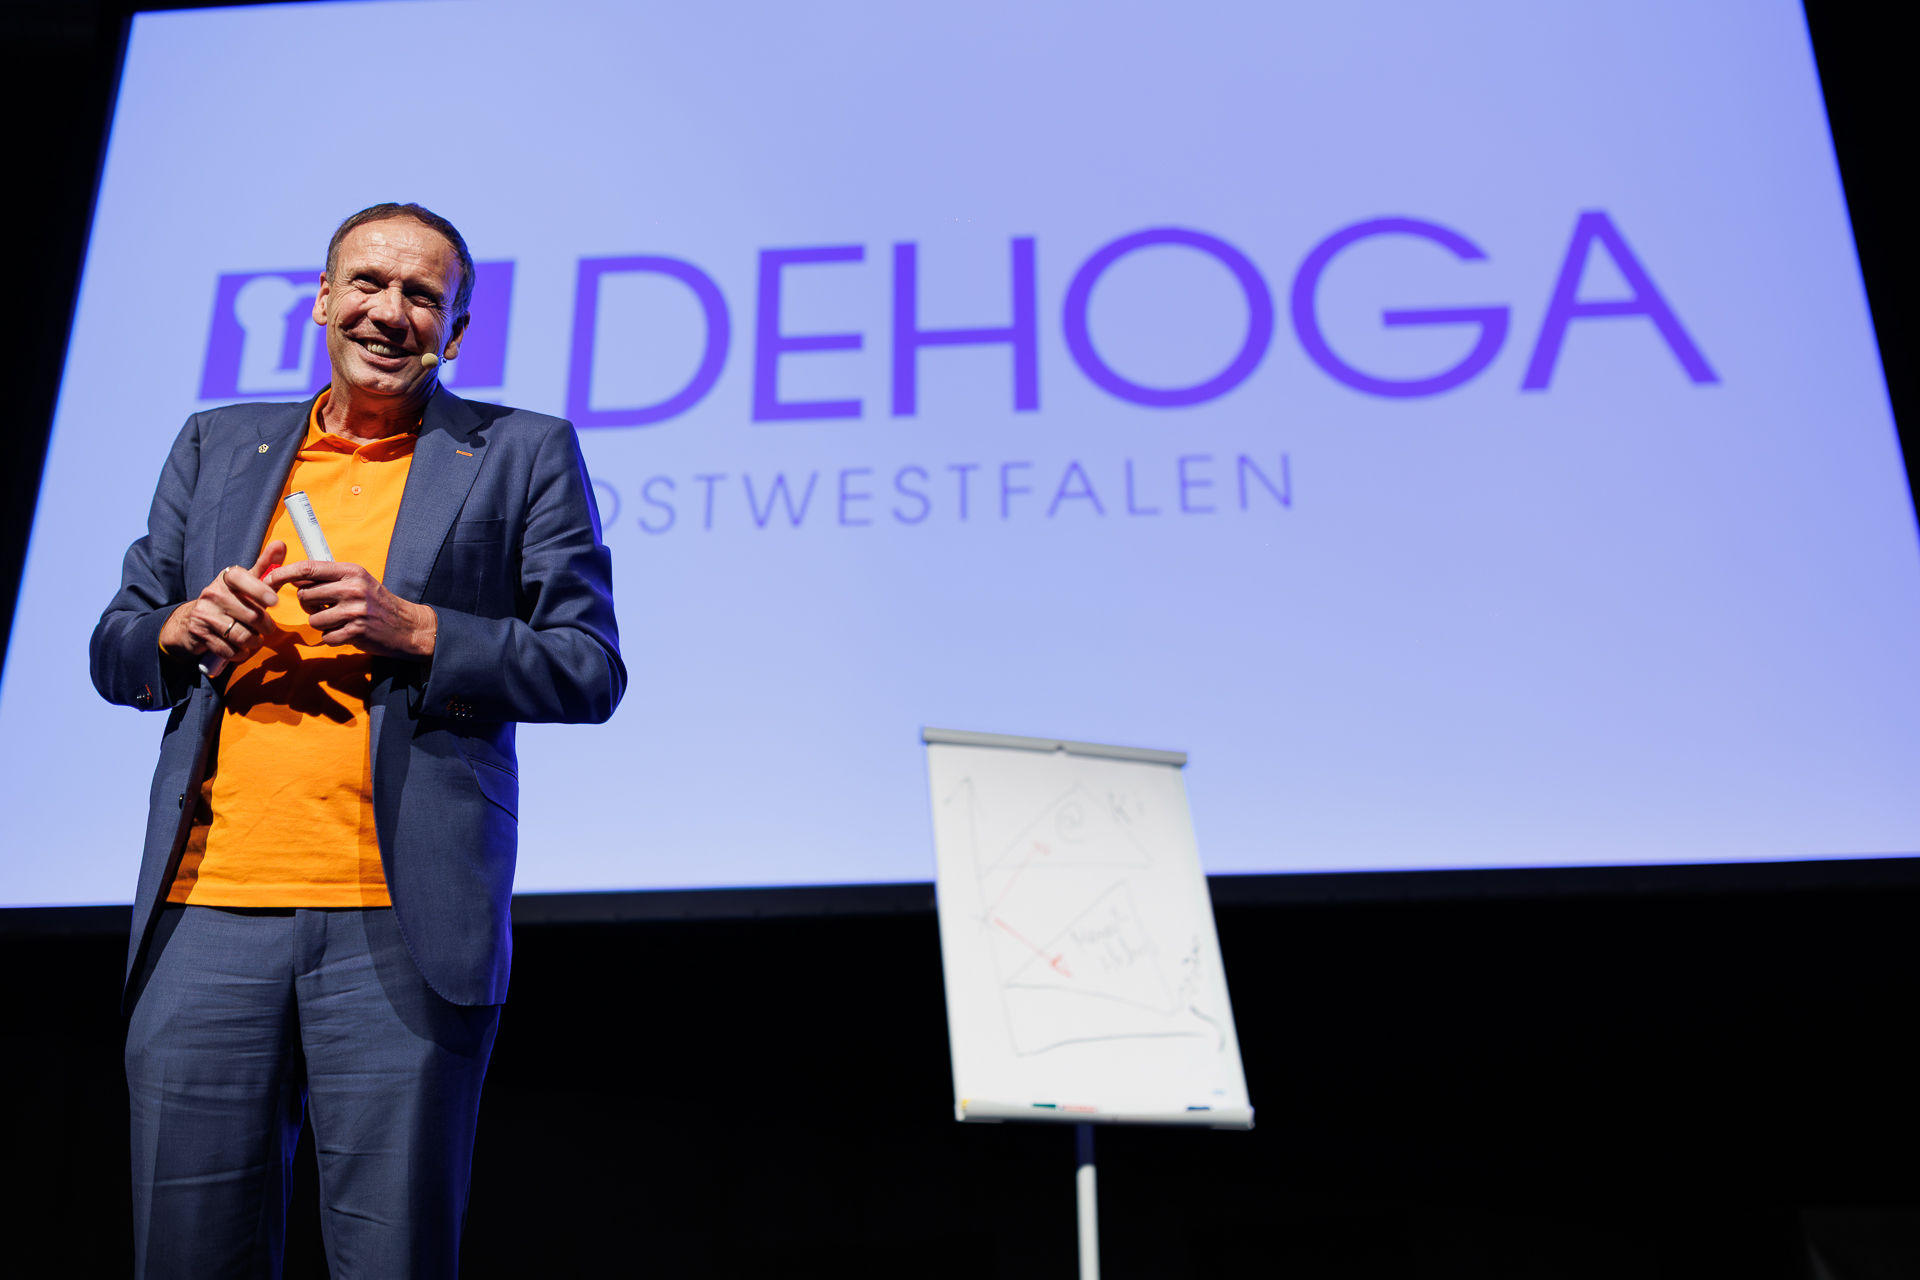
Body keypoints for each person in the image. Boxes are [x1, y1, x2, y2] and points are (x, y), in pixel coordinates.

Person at [91, 202, 624, 1278]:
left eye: (422, 295)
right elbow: (117, 648)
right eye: (368, 284)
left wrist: (419, 631)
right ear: (322, 300)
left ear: (456, 332)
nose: (390, 311)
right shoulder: (215, 442)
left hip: (400, 918)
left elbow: (588, 665)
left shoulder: (520, 451)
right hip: (204, 913)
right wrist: (181, 629)